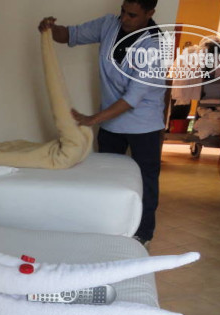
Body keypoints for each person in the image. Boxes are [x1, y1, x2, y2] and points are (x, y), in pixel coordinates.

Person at [39, 1, 165, 249]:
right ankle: (108, 226)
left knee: (146, 181)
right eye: (123, 11)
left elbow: (132, 98)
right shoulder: (109, 24)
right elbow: (70, 35)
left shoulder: (154, 45)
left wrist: (92, 119)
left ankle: (143, 233)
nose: (124, 18)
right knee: (106, 177)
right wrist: (50, 30)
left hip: (144, 125)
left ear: (150, 13)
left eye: (132, 15)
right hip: (112, 123)